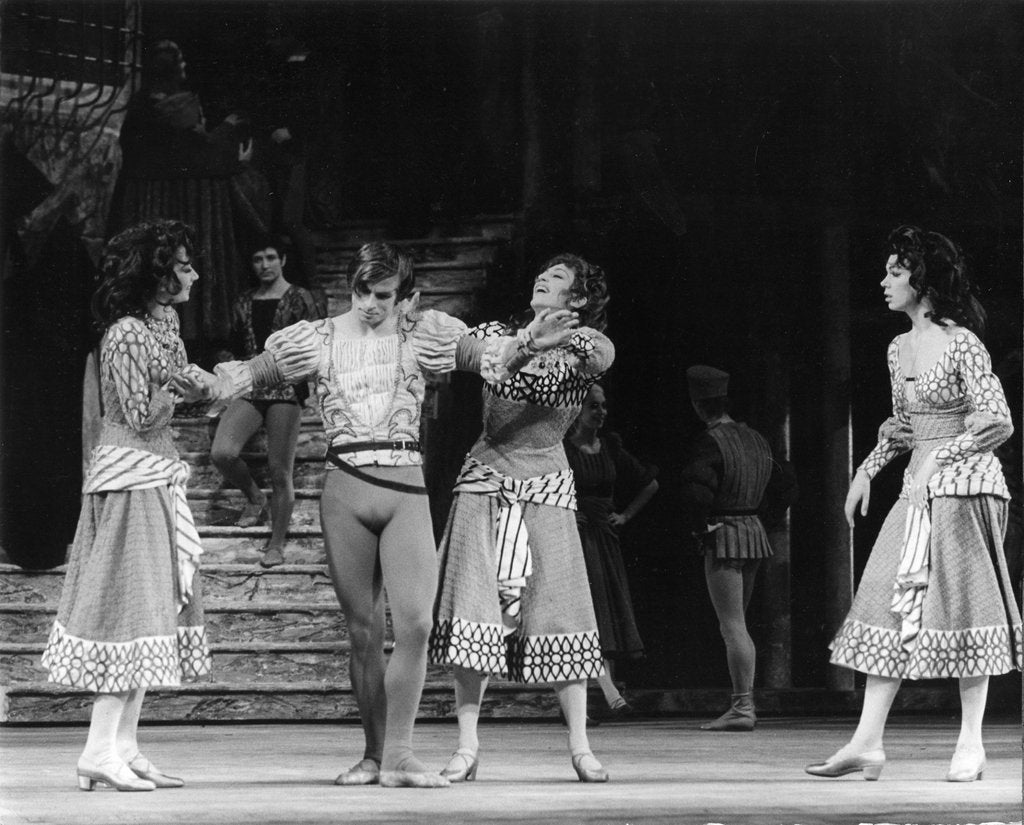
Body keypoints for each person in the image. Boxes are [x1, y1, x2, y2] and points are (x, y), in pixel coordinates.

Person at [209, 242, 578, 788]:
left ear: (410, 297)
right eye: (362, 291)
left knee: (416, 623)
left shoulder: (423, 334)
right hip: (345, 490)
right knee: (362, 633)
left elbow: (488, 356)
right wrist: (211, 383)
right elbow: (252, 373)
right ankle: (375, 755)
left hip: (404, 486)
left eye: (384, 295)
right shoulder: (319, 336)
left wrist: (526, 343)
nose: (370, 304)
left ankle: (402, 756)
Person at [806, 226, 1021, 782]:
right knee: (885, 601)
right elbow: (903, 427)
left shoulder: (962, 342)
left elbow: (998, 420)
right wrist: (865, 470)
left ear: (922, 281)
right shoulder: (899, 346)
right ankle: (867, 741)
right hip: (918, 490)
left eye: (895, 272)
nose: (884, 281)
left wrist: (938, 459)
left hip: (967, 487)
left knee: (965, 608)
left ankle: (970, 744)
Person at [41, 219, 214, 791]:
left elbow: (170, 396)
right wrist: (183, 387)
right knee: (130, 608)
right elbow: (141, 413)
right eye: (183, 265)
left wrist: (195, 388)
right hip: (129, 477)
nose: (192, 274)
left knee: (154, 606)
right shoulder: (125, 334)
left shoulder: (163, 322)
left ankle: (125, 746)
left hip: (156, 470)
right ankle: (97, 749)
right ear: (157, 275)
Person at [430, 253, 615, 783]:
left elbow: (600, 355)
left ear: (577, 299)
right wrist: (528, 341)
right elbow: (474, 355)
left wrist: (558, 339)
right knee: (474, 609)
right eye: (542, 273)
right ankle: (466, 745)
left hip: (547, 484)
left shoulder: (585, 346)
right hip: (486, 477)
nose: (542, 278)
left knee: (561, 609)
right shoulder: (498, 334)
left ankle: (580, 745)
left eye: (557, 279)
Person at [111, 39, 254, 354]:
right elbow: (200, 150)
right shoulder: (182, 105)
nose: (186, 69)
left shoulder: (139, 105)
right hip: (191, 198)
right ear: (174, 68)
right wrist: (229, 133)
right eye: (181, 64)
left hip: (150, 196)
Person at [680, 364, 796, 732]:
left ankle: (743, 707)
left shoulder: (710, 440)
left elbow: (697, 490)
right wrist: (767, 519)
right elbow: (786, 485)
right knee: (739, 625)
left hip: (726, 534)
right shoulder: (757, 439)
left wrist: (701, 526)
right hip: (753, 532)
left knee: (732, 627)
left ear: (699, 405)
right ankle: (742, 702)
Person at [210, 234, 327, 567]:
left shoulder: (301, 297)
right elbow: (230, 342)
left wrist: (309, 385)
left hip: (285, 389)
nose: (264, 264)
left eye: (271, 258)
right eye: (258, 259)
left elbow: (316, 343)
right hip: (249, 385)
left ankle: (275, 544)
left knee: (280, 471)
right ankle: (253, 496)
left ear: (284, 260)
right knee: (222, 452)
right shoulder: (244, 300)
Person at [564, 383, 658, 717]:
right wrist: (565, 512)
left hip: (604, 536)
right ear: (577, 409)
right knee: (582, 616)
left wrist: (626, 515)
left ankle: (599, 697)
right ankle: (608, 695)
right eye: (593, 406)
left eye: (603, 405)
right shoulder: (564, 449)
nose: (601, 412)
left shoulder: (611, 446)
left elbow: (650, 482)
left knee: (602, 616)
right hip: (576, 538)